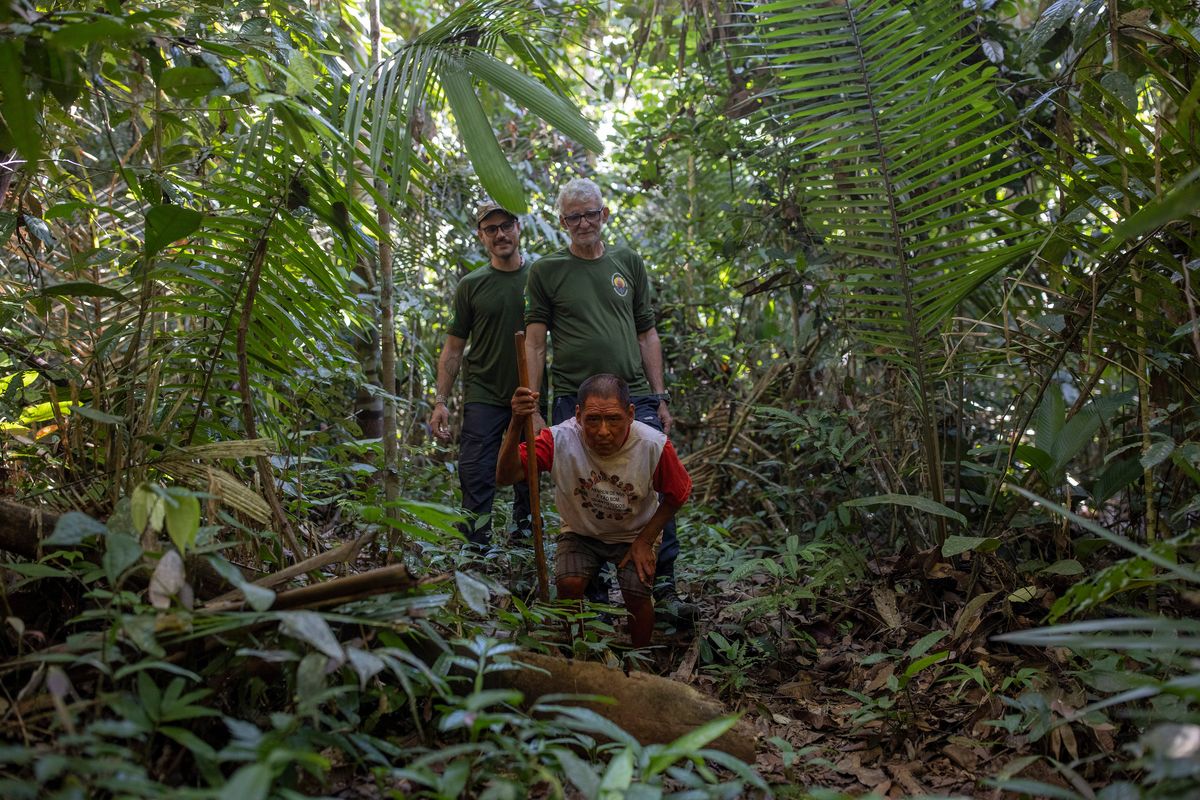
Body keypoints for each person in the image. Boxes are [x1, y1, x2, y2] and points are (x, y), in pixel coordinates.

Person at [523, 177, 697, 622]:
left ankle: (664, 586)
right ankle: (594, 595)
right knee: (583, 487)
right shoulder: (546, 271)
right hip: (575, 400)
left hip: (631, 393)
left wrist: (658, 395)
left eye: (590, 213)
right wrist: (537, 405)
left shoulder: (628, 262)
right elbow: (537, 341)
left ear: (605, 214)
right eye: (573, 216)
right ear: (562, 221)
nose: (583, 222)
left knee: (657, 481)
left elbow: (646, 332)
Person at [496, 374, 691, 647]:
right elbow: (506, 476)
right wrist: (516, 421)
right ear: (578, 415)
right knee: (569, 583)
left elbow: (679, 492)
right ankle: (579, 650)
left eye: (613, 419)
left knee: (636, 592)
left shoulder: (652, 445)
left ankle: (641, 661)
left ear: (631, 414)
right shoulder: (558, 439)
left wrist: (645, 541)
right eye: (592, 420)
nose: (603, 431)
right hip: (581, 531)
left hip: (633, 533)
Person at [429, 200, 537, 546]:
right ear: (481, 236)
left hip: (532, 396)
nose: (500, 234)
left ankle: (523, 559)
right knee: (475, 476)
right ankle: (475, 557)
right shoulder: (471, 285)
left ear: (518, 228)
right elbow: (454, 348)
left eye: (506, 225)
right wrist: (440, 401)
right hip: (485, 397)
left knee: (530, 477)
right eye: (491, 229)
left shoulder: (540, 278)